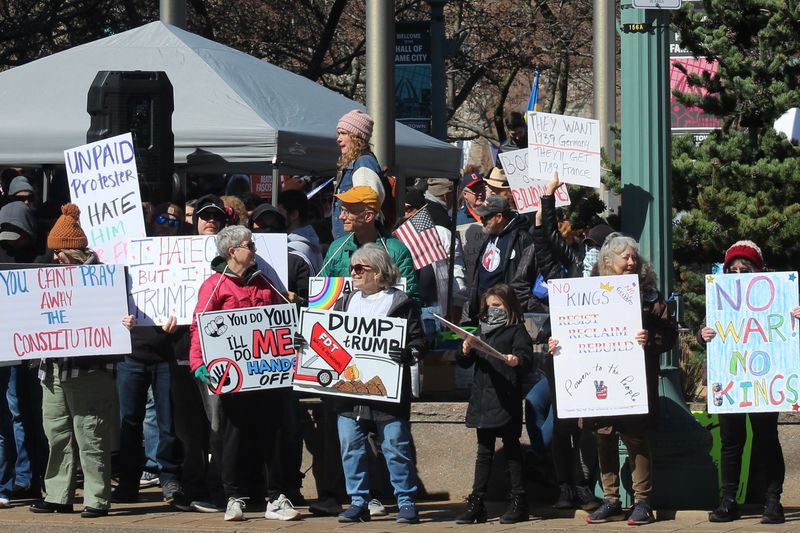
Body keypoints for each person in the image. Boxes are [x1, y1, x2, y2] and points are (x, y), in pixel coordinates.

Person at [549, 233, 677, 526]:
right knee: (603, 436)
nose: (632, 262)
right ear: (608, 261)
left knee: (635, 437)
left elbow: (669, 335)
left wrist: (651, 338)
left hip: (633, 380)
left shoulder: (649, 296)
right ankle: (611, 500)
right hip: (598, 380)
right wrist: (558, 344)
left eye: (634, 257)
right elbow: (570, 331)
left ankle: (643, 501)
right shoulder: (585, 294)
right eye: (626, 257)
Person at [188, 225, 296, 522]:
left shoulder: (265, 282)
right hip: (235, 378)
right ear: (233, 251)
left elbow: (283, 321)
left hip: (267, 375)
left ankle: (277, 496)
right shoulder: (215, 285)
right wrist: (199, 363)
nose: (255, 250)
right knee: (233, 436)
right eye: (250, 245)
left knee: (273, 434)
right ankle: (233, 497)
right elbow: (200, 325)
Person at [28, 203, 126, 518]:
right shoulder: (48, 278)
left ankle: (97, 498)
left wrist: (123, 322)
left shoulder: (104, 278)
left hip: (89, 366)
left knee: (90, 431)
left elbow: (116, 317)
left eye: (60, 252)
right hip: (53, 365)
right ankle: (58, 494)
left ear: (75, 250)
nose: (55, 258)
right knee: (56, 430)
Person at [324, 243, 425, 524]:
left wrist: (409, 353)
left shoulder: (401, 303)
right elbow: (327, 337)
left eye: (359, 268)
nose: (353, 273)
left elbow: (419, 343)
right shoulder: (344, 302)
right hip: (349, 391)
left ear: (379, 272)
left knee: (395, 446)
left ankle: (406, 501)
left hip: (387, 393)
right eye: (352, 268)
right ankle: (358, 501)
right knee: (351, 446)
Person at [697, 241, 789, 525]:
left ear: (757, 271)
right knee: (731, 441)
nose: (738, 275)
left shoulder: (776, 298)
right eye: (732, 270)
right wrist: (704, 333)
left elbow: (787, 331)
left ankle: (773, 501)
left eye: (744, 269)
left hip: (762, 382)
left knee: (766, 438)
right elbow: (703, 330)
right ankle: (729, 500)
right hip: (731, 381)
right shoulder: (722, 300)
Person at [455, 284, 534, 524]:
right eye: (489, 306)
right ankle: (477, 502)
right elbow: (464, 363)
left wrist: (516, 360)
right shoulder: (482, 330)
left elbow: (526, 360)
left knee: (512, 449)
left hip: (505, 397)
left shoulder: (516, 330)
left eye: (497, 306)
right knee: (484, 452)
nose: (493, 310)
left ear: (509, 306)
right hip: (483, 399)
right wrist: (466, 350)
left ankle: (519, 501)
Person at [320, 186, 419, 304]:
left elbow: (411, 300)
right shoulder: (336, 248)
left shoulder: (397, 251)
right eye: (342, 210)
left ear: (368, 216)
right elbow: (321, 291)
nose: (341, 217)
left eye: (348, 211)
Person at [467, 194, 532, 322]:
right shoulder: (490, 234)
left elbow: (524, 278)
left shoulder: (521, 238)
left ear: (499, 217)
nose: (482, 220)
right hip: (484, 308)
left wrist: (513, 307)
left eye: (486, 217)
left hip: (505, 311)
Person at [332, 110, 383, 239]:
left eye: (343, 133)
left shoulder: (364, 163)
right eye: (339, 133)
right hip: (351, 240)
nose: (338, 139)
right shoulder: (355, 164)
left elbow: (368, 208)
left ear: (357, 137)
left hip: (357, 243)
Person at [278, 189, 323, 275]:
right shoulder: (312, 242)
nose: (276, 217)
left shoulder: (293, 248)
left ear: (294, 215)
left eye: (280, 212)